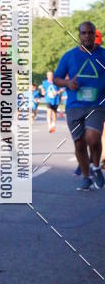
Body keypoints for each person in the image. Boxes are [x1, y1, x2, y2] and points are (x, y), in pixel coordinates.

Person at [53, 21, 105, 190]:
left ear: (94, 35)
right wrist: (68, 83)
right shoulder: (69, 56)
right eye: (84, 33)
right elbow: (56, 78)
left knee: (93, 137)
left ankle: (96, 166)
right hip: (74, 106)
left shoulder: (103, 55)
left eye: (90, 33)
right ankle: (86, 176)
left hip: (96, 105)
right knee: (79, 144)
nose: (87, 36)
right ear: (79, 35)